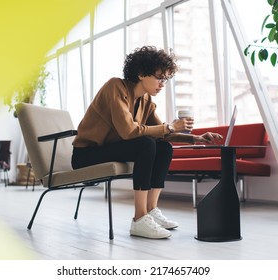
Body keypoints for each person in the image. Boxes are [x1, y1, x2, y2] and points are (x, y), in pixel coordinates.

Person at [72, 46, 222, 239]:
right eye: (159, 78)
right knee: (146, 144)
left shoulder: (146, 102)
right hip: (86, 155)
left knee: (163, 147)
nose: (162, 84)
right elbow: (128, 131)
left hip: (110, 150)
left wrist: (196, 138)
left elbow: (163, 135)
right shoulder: (115, 87)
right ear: (142, 73)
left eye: (165, 80)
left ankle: (151, 210)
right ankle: (139, 218)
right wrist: (169, 127)